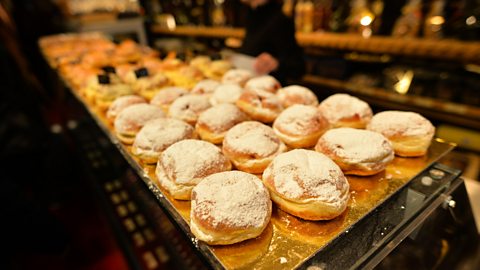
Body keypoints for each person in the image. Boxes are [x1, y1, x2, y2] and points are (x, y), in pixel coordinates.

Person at [239, 0, 305, 84]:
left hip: (270, 88)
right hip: (249, 83)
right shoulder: (252, 14)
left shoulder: (279, 20)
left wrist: (276, 63)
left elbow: (298, 67)